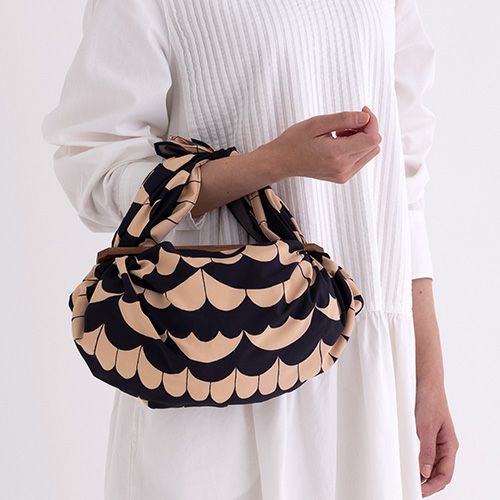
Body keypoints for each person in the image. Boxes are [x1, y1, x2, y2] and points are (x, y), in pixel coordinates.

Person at [42, 0, 459, 498]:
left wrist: (428, 374)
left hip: (365, 373)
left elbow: (404, 188)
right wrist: (270, 163)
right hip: (212, 362)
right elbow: (97, 172)